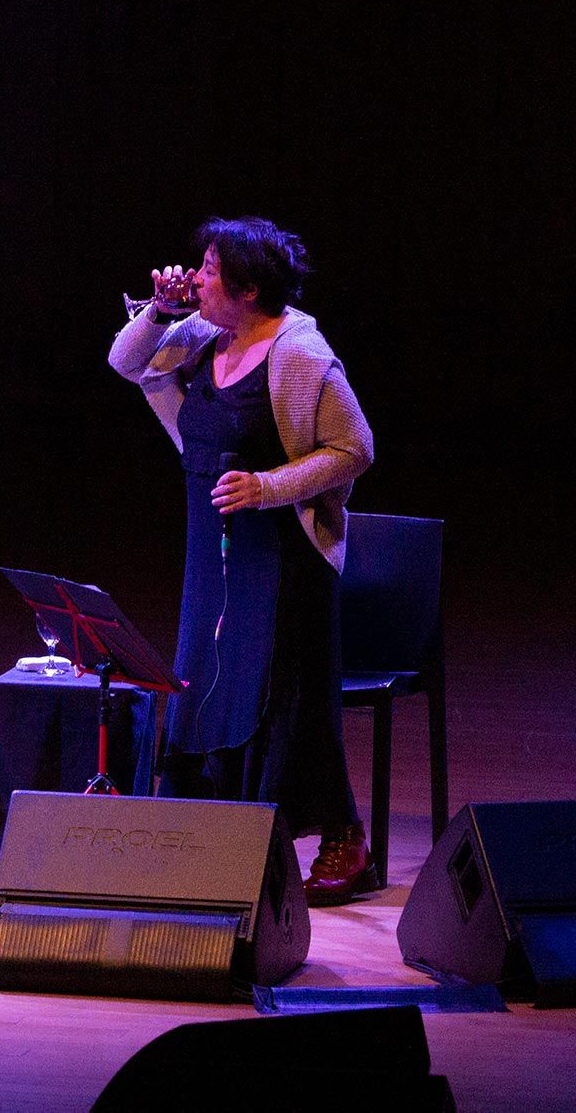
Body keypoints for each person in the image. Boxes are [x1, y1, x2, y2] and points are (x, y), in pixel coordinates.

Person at [109, 217, 377, 905]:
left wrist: (267, 487)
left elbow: (355, 449)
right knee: (202, 681)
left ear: (250, 287)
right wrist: (164, 311)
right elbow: (125, 361)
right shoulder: (204, 334)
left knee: (281, 700)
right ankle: (211, 830)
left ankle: (342, 834)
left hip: (282, 555)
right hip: (213, 546)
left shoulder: (301, 353)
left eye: (208, 268)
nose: (194, 276)